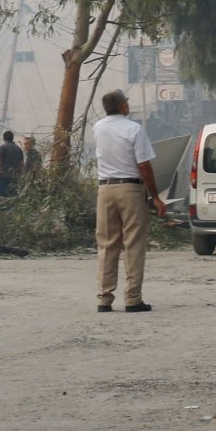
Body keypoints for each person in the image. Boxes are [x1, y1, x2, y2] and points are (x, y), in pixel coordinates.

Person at [92, 90, 166, 312]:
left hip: (105, 189)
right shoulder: (134, 129)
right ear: (123, 106)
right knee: (133, 243)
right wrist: (155, 197)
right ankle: (133, 298)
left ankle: (104, 298)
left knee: (107, 244)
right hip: (130, 189)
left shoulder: (98, 128)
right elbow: (144, 165)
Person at [0, 130, 25, 198]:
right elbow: (22, 165)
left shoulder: (4, 147)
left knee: (0, 196)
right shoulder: (19, 149)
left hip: (4, 176)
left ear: (3, 138)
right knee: (10, 196)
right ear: (12, 138)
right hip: (15, 178)